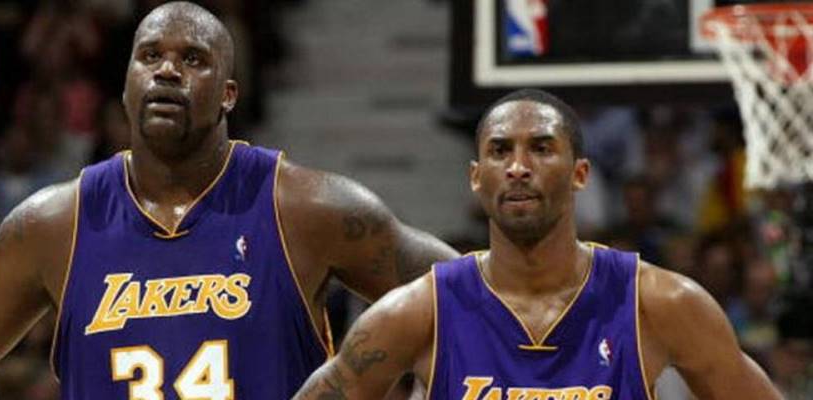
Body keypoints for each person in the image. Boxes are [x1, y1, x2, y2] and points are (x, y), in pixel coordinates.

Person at [0, 2, 458, 399]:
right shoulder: (55, 223)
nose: (168, 70)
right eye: (150, 56)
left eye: (193, 59)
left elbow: (468, 302)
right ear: (126, 85)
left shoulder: (306, 207)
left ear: (228, 94)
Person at [293, 89, 782, 400]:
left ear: (580, 173)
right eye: (500, 151)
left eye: (542, 148)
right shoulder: (420, 311)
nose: (518, 167)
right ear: (476, 178)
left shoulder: (659, 302)